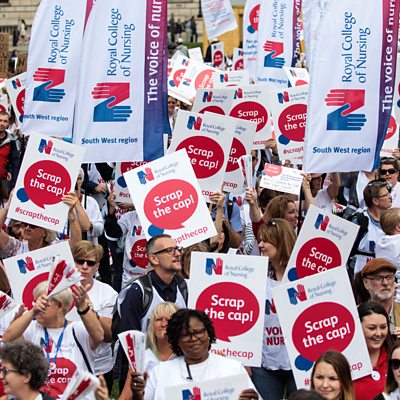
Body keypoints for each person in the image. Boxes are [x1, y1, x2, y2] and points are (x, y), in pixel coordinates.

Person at [130, 309, 259, 400]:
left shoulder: (233, 368)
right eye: (186, 335)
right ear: (177, 340)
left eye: (199, 332)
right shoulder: (160, 372)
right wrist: (137, 395)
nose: (193, 339)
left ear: (208, 334)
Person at [3, 282, 104, 398]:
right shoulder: (32, 328)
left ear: (59, 306)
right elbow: (8, 338)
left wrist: (82, 307)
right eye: (36, 302)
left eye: (44, 303)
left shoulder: (77, 329)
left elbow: (99, 336)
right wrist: (33, 311)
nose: (39, 306)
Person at [116, 234, 188, 389]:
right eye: (170, 250)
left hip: (176, 372)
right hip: (144, 376)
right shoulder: (137, 292)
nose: (177, 254)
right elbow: (129, 341)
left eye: (178, 249)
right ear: (154, 259)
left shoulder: (184, 287)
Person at [252, 218, 297, 400]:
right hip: (264, 362)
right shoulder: (255, 275)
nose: (260, 245)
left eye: (266, 241)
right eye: (260, 240)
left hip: (299, 362)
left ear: (281, 242)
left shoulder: (303, 275)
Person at [72, 240, 118, 393]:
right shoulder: (61, 290)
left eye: (90, 263)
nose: (84, 267)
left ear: (97, 266)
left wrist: (91, 313)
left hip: (99, 367)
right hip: (69, 364)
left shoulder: (108, 293)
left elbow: (109, 336)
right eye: (80, 261)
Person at [119, 302, 180, 400]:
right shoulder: (141, 359)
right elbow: (124, 398)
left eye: (169, 320)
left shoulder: (186, 358)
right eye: (159, 319)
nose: (163, 324)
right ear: (152, 326)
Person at [348, 179, 392, 275]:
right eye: (385, 195)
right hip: (360, 271)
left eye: (389, 193)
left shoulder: (393, 220)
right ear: (376, 201)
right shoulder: (359, 221)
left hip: (385, 270)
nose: (390, 197)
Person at [353, 302, 394, 400]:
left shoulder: (395, 357)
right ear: (358, 327)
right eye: (372, 328)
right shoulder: (346, 362)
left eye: (383, 327)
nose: (379, 333)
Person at [360, 258, 400, 332]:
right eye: (379, 278)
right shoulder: (357, 315)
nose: (385, 283)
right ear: (366, 283)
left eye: (389, 277)